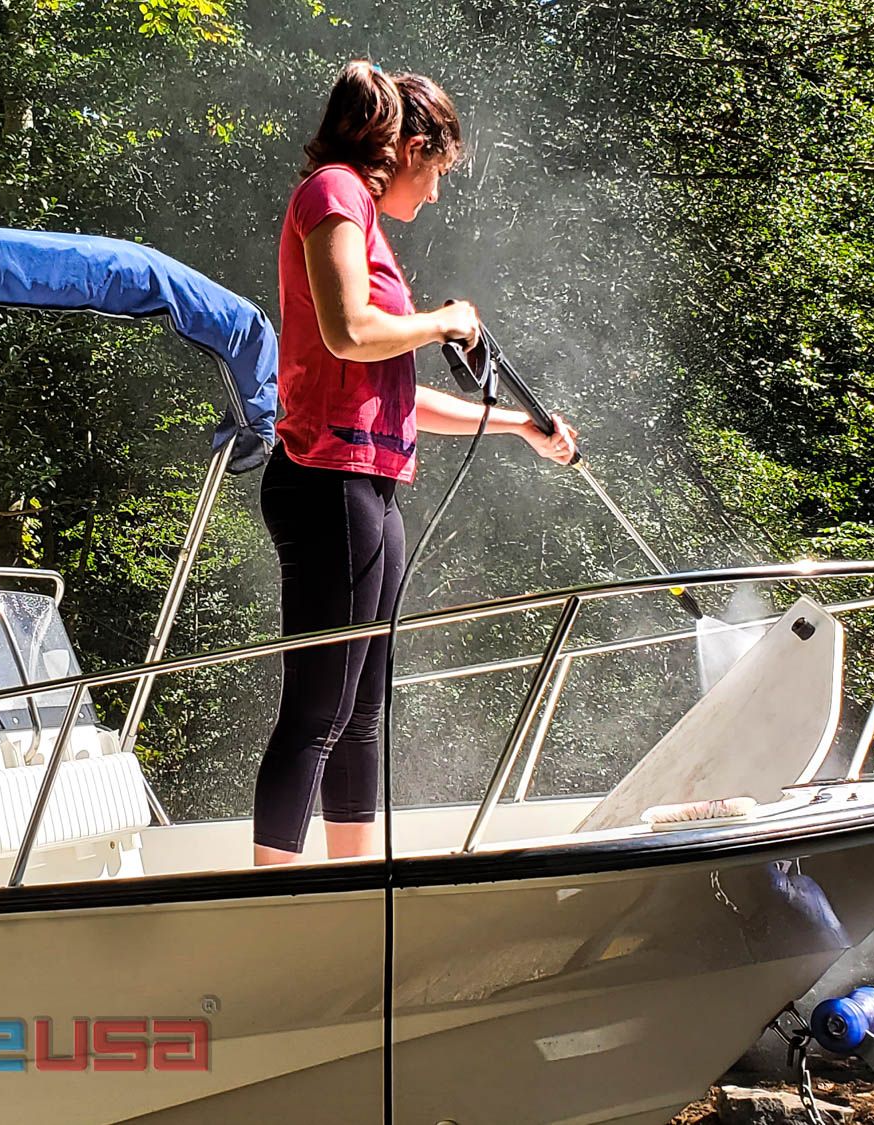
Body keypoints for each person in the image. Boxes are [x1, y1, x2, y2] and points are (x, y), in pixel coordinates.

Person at [254, 59, 579, 866]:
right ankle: (273, 902)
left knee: (361, 710)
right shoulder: (334, 193)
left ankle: (353, 885)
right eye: (434, 172)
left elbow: (391, 397)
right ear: (405, 147)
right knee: (318, 711)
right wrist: (441, 322)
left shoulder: (363, 220)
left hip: (367, 484)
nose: (433, 194)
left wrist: (516, 426)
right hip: (327, 481)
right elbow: (349, 333)